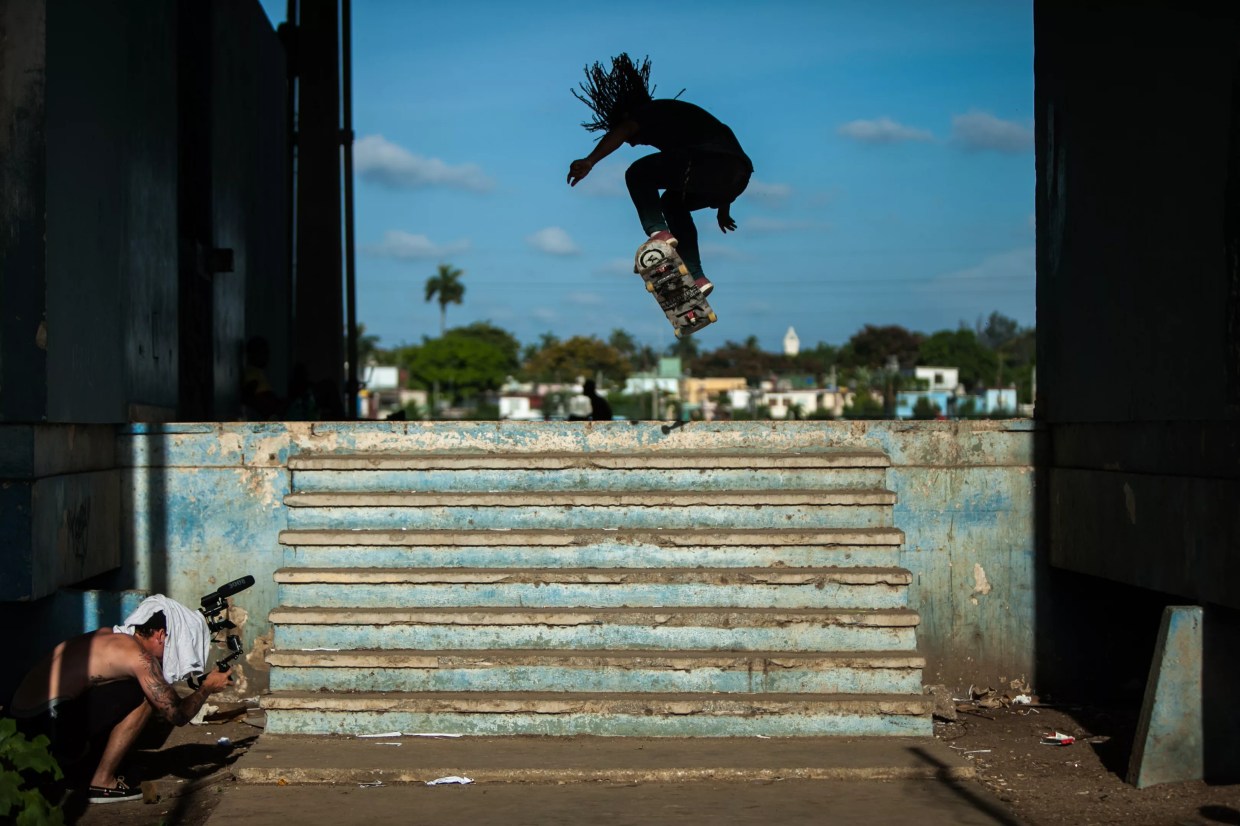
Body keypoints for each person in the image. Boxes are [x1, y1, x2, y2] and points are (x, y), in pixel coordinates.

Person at [567, 53, 752, 297]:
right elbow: (724, 159)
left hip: (706, 162)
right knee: (672, 202)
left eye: (629, 140)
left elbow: (625, 129)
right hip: (735, 177)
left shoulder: (645, 112)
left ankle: (658, 233)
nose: (631, 144)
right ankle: (697, 278)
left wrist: (590, 161)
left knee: (638, 173)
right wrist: (723, 209)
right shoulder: (674, 117)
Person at [7, 604, 231, 804]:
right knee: (146, 696)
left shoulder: (109, 635)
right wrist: (207, 687)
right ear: (161, 635)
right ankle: (102, 781)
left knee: (129, 688)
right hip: (47, 728)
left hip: (20, 722)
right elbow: (177, 715)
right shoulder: (139, 658)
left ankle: (81, 767)